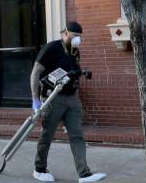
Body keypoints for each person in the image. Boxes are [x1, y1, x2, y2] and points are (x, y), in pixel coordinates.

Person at [30, 22, 106, 182]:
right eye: (75, 36)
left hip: (72, 99)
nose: (78, 39)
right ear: (65, 33)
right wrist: (35, 99)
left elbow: (72, 73)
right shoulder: (51, 48)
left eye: (80, 37)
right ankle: (39, 169)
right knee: (47, 135)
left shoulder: (75, 51)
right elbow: (36, 72)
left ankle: (84, 174)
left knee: (77, 134)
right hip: (53, 98)